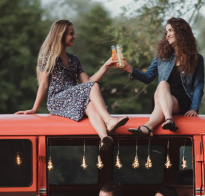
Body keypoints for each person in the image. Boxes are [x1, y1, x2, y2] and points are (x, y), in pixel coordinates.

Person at [15, 19, 128, 150]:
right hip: (57, 99)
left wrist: (106, 66)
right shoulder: (48, 56)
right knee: (93, 87)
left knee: (91, 105)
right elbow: (44, 84)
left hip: (73, 97)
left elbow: (87, 82)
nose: (74, 36)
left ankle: (103, 137)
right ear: (60, 35)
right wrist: (34, 109)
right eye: (71, 33)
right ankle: (109, 121)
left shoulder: (74, 59)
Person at [119, 18, 205, 139]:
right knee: (163, 84)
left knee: (163, 86)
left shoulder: (196, 58)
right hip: (162, 95)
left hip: (182, 100)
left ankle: (148, 127)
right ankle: (168, 119)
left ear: (180, 32)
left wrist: (194, 108)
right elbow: (148, 77)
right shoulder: (161, 57)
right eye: (166, 32)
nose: (167, 35)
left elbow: (198, 86)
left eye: (170, 30)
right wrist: (129, 68)